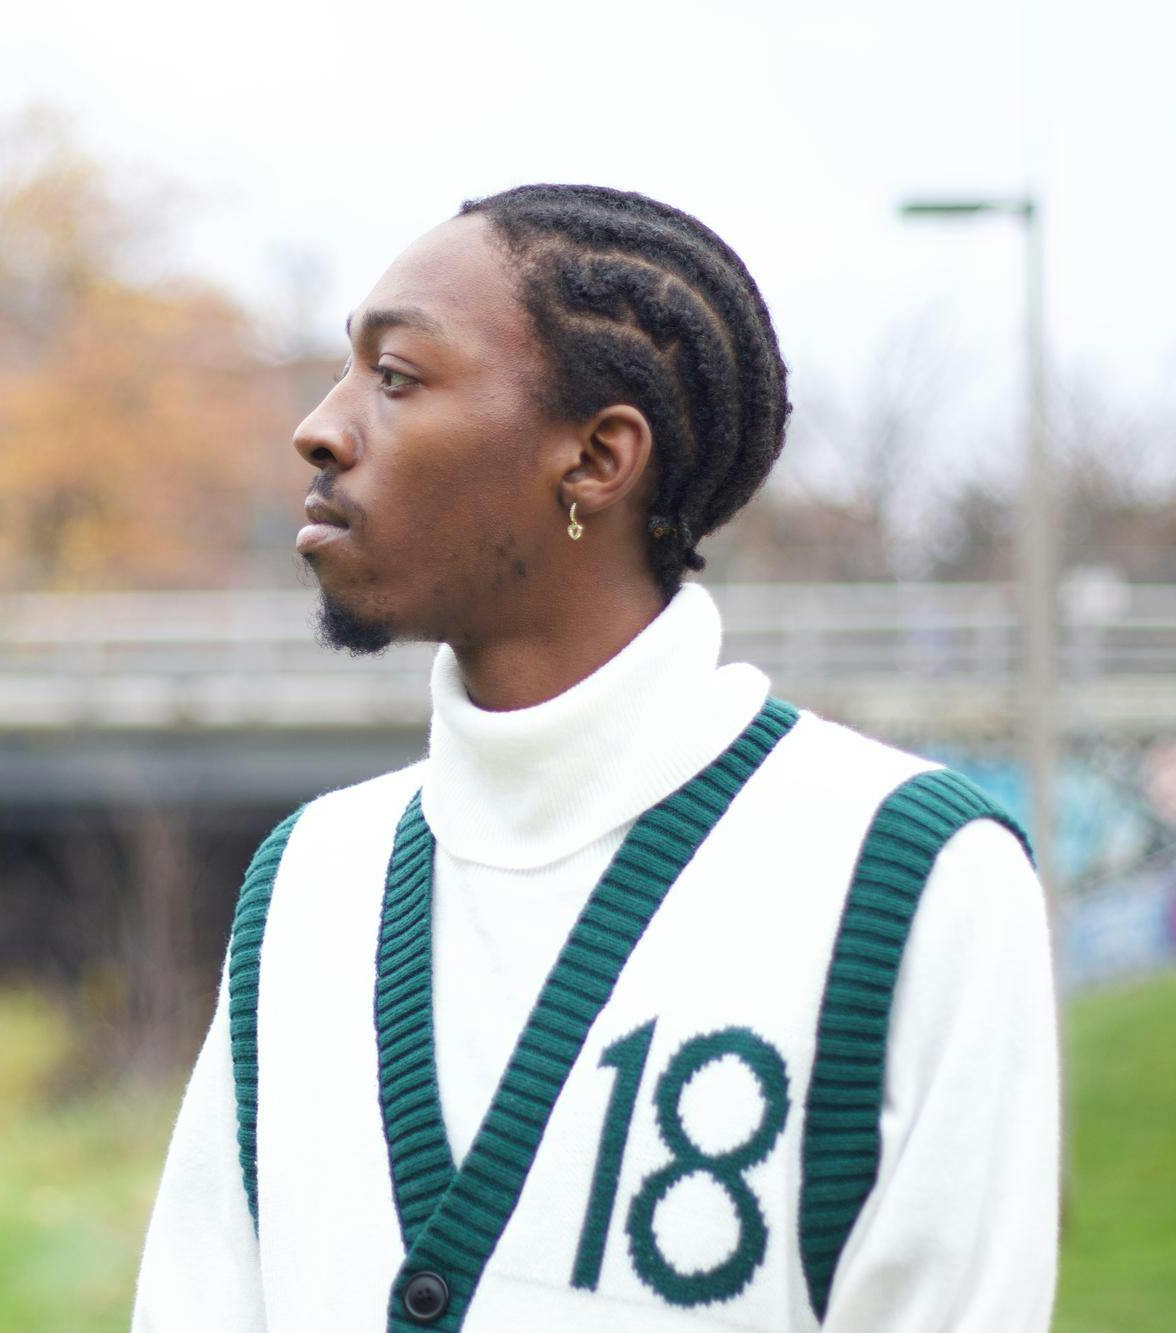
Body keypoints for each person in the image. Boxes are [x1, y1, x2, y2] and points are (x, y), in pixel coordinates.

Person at [130, 185, 1058, 1332]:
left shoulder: (907, 878)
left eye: (398, 376)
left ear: (595, 458)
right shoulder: (308, 879)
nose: (319, 428)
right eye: (342, 371)